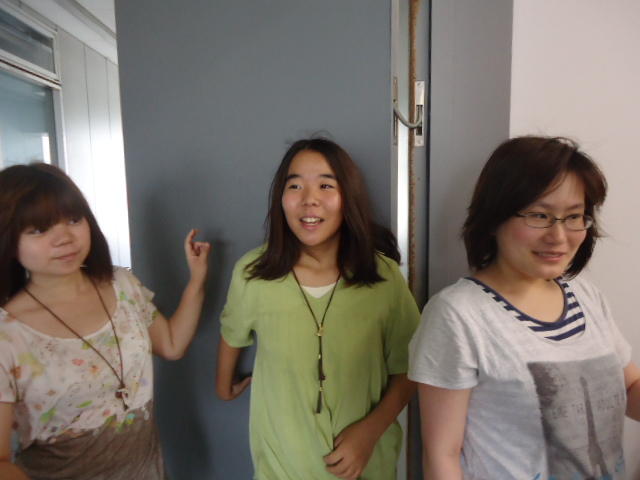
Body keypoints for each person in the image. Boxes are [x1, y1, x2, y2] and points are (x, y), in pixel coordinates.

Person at [409, 136, 640, 479]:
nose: (558, 236)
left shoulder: (585, 296)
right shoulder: (458, 315)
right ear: (494, 217)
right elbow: (443, 455)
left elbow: (629, 387)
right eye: (539, 215)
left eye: (574, 216)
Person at [216, 138, 420, 480]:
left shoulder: (382, 276)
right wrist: (224, 386)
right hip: (282, 467)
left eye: (326, 185)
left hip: (365, 466)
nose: (309, 198)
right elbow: (232, 332)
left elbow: (411, 365)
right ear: (280, 199)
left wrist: (370, 432)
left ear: (348, 197)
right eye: (295, 185)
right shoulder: (253, 273)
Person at [0, 163, 210, 480]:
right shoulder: (8, 334)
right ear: (9, 241)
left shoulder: (121, 285)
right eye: (39, 230)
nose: (64, 238)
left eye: (73, 219)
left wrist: (197, 280)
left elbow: (171, 344)